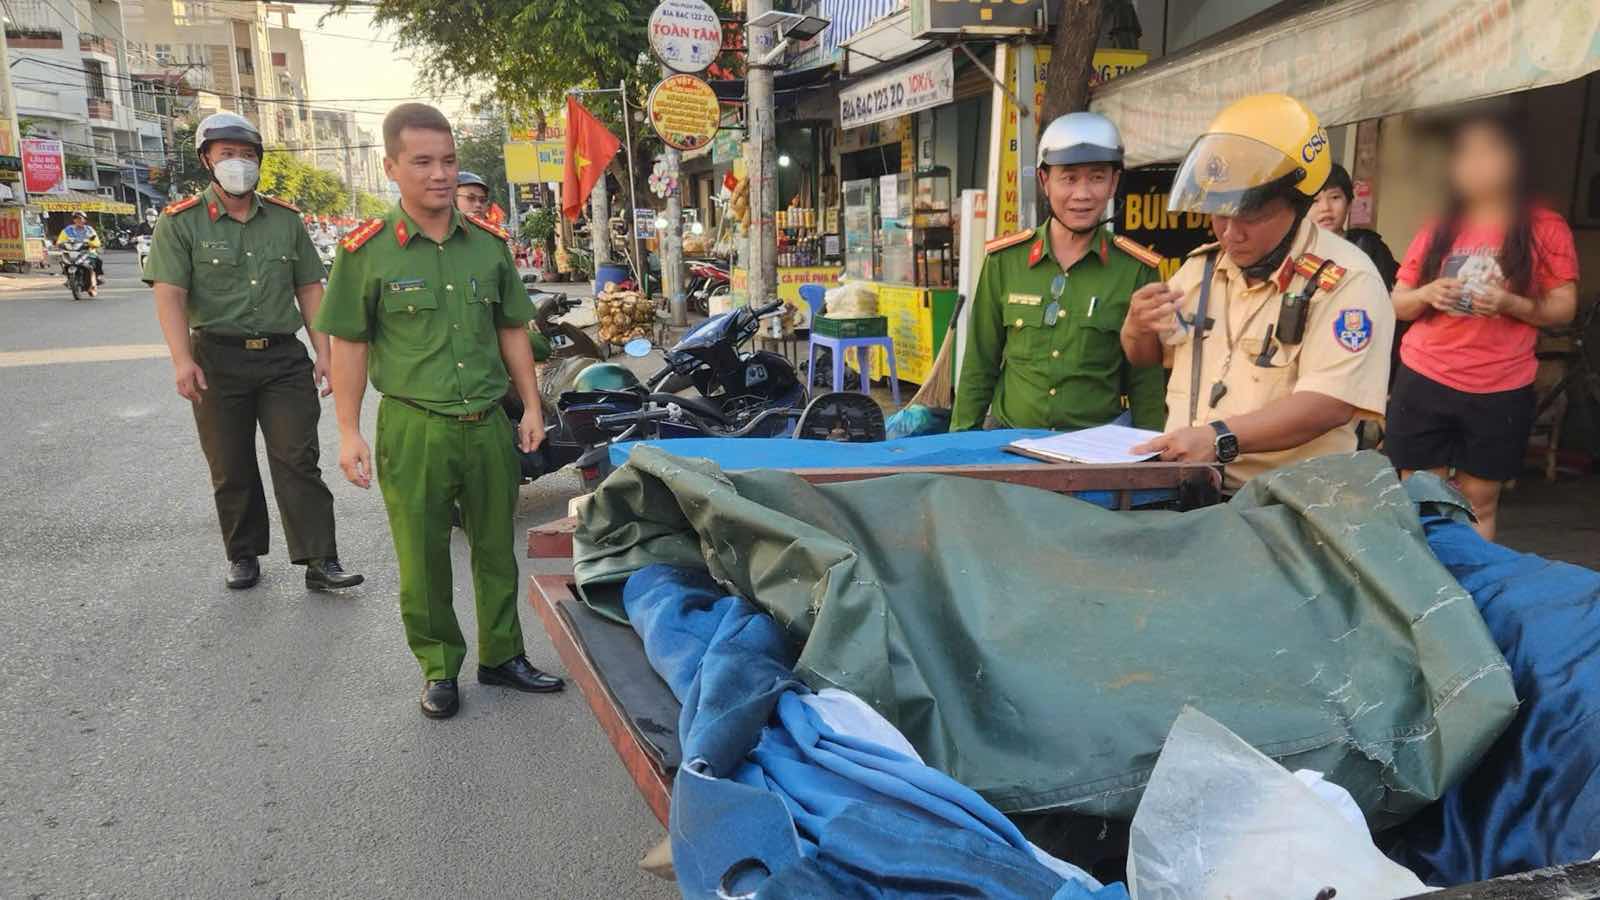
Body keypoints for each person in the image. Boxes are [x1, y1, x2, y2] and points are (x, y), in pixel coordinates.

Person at [315, 103, 564, 719]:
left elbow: (512, 330)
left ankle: (502, 655)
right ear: (391, 168)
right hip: (414, 426)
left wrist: (531, 407)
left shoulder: (488, 245)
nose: (439, 174)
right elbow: (349, 346)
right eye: (422, 161)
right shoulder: (366, 252)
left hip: (487, 423)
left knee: (496, 547)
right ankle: (438, 666)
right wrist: (347, 432)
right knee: (422, 556)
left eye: (448, 161)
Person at [1121, 93, 1395, 492]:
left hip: (1286, 502)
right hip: (1191, 490)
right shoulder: (1203, 268)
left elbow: (1329, 405)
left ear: (1298, 205)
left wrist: (1218, 438)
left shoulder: (1348, 281)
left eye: (1251, 216)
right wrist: (1136, 327)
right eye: (1219, 215)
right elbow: (1146, 356)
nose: (1231, 233)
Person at [146, 111, 363, 592]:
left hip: (282, 359)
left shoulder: (285, 220)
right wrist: (182, 360)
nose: (238, 163)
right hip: (216, 359)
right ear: (207, 160)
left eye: (247, 155)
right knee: (230, 464)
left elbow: (309, 288)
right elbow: (170, 293)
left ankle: (320, 559)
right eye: (227, 154)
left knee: (297, 459)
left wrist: (324, 352)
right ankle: (242, 554)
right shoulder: (181, 223)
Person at [1384, 107, 1579, 541]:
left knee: (1479, 501)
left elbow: (1564, 307)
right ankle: (1419, 580)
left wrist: (1511, 303)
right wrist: (1428, 294)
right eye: (1465, 154)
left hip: (1500, 385)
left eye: (1489, 151)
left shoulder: (1545, 228)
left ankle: (1470, 579)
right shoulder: (1439, 227)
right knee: (1420, 496)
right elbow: (1398, 303)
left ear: (1516, 160)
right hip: (1426, 376)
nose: (1475, 164)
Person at [952, 112, 1167, 432]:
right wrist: (960, 446)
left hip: (1094, 447)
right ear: (1044, 181)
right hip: (1009, 442)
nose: (1082, 194)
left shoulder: (1136, 270)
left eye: (1097, 178)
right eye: (1069, 178)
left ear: (1113, 183)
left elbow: (1146, 382)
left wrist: (1152, 454)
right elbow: (979, 364)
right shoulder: (1005, 261)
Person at [1310, 163, 1399, 290]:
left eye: (1334, 197)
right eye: (1315, 200)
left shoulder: (1369, 247)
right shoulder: (1298, 250)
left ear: (1349, 204)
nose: (1325, 208)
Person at [55, 211, 103, 295]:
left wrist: (92, 244)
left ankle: (94, 283)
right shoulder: (68, 230)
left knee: (96, 262)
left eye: (80, 218)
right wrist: (60, 244)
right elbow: (60, 241)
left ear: (84, 220)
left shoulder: (89, 230)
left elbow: (96, 241)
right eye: (76, 218)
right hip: (71, 253)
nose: (78, 220)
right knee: (64, 263)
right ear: (73, 220)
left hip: (87, 252)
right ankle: (69, 279)